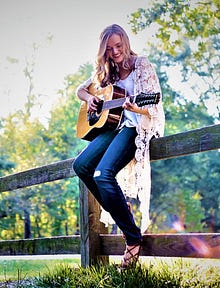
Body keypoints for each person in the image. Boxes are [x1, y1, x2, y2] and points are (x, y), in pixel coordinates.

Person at [73, 24, 165, 268]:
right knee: (81, 165)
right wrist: (92, 99)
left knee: (103, 175)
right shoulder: (108, 70)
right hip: (113, 127)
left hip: (135, 126)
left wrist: (136, 107)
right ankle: (118, 207)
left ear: (125, 41)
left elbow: (154, 104)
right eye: (109, 49)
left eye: (118, 46)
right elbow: (80, 90)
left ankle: (133, 238)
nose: (115, 52)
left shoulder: (141, 64)